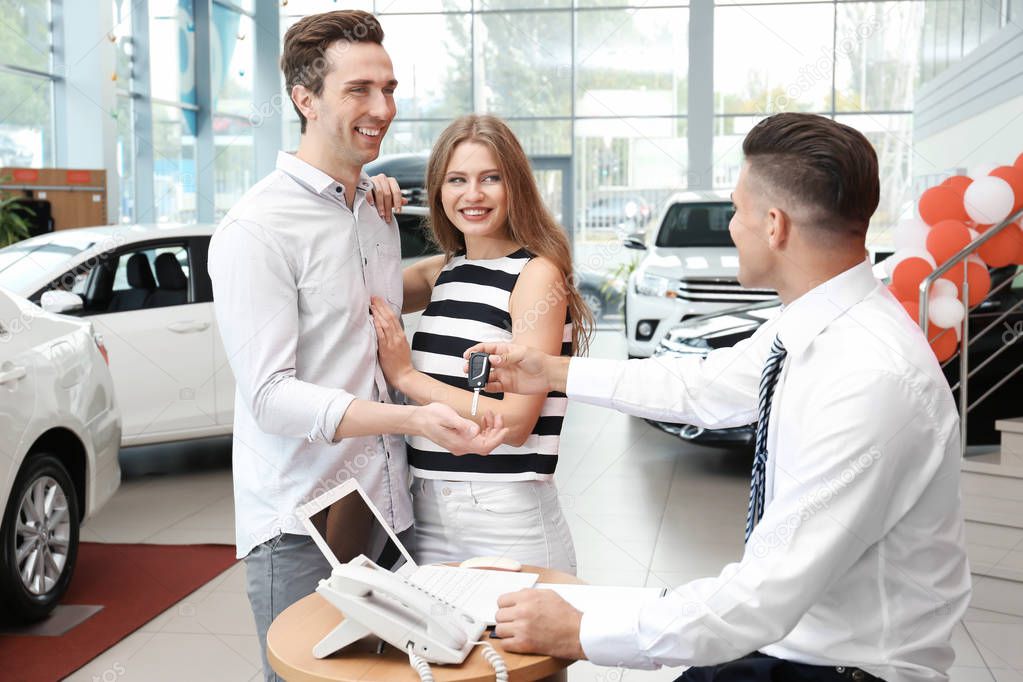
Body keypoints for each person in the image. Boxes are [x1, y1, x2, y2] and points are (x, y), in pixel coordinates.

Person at [473, 113, 972, 682]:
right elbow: (697, 385)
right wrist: (548, 370)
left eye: (737, 210)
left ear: (775, 226)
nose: (731, 226)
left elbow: (760, 598)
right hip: (788, 647)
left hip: (844, 669)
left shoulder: (870, 378)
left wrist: (581, 631)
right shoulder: (810, 323)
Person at [206, 12, 506, 681]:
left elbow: (366, 321)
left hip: (386, 512)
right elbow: (269, 396)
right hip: (299, 525)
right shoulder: (257, 228)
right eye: (359, 90)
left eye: (389, 88)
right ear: (304, 99)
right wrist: (411, 417)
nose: (382, 108)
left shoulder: (373, 212)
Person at [369, 114, 594, 573]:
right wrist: (363, 197)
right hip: (427, 506)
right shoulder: (444, 272)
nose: (472, 195)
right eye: (457, 180)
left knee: (513, 646)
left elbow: (514, 421)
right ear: (438, 190)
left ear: (515, 186)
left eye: (490, 178)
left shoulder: (536, 275)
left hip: (506, 517)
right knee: (434, 647)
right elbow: (358, 289)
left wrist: (407, 377)